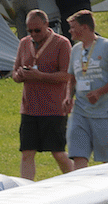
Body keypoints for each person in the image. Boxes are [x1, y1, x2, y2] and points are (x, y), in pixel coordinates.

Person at [9, 10, 73, 181]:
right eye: (29, 31)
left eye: (37, 30)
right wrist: (21, 75)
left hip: (54, 108)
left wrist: (41, 76)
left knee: (58, 153)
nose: (33, 34)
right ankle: (26, 189)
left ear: (47, 25)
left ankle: (77, 182)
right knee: (26, 153)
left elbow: (66, 75)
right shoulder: (24, 43)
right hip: (29, 108)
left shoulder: (62, 43)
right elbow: (14, 73)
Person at [65, 10, 108, 171]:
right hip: (80, 112)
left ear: (84, 27)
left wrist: (99, 92)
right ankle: (81, 190)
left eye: (73, 27)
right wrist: (68, 97)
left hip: (103, 111)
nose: (70, 31)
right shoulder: (75, 50)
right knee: (78, 155)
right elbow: (72, 79)